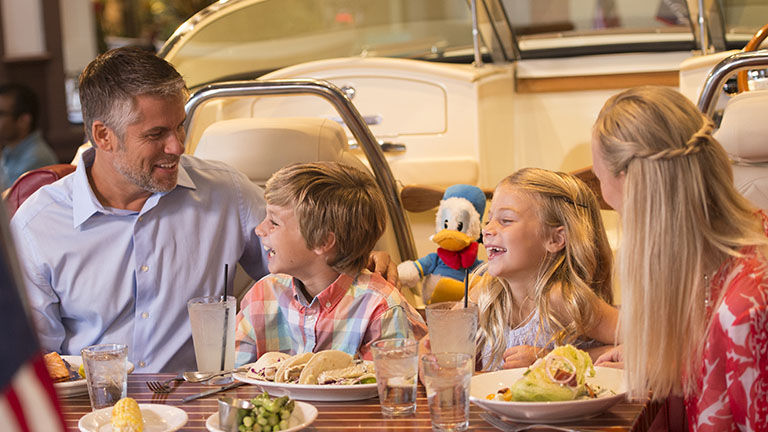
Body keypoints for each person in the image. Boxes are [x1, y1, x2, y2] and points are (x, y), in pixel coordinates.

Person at [10, 47, 395, 373]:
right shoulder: (35, 226)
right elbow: (37, 365)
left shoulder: (226, 192)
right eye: (156, 134)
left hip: (204, 405)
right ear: (102, 136)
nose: (177, 147)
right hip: (96, 411)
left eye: (180, 127)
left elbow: (306, 262)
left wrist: (352, 258)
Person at [591, 86, 768, 431]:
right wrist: (667, 357)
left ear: (632, 185)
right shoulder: (723, 260)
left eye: (599, 179)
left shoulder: (746, 312)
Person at [235, 162, 427, 364]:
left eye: (274, 222)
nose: (259, 229)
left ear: (323, 241)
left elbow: (390, 387)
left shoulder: (381, 309)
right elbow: (236, 380)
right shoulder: (262, 296)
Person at [470, 167, 619, 371]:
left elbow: (646, 344)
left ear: (556, 239)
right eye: (488, 220)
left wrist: (551, 359)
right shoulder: (487, 293)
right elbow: (438, 342)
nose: (486, 230)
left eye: (506, 220)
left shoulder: (561, 299)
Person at [0, 83, 58, 188]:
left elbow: (9, 201)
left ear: (23, 120)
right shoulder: (8, 151)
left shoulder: (36, 158)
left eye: (1, 114)